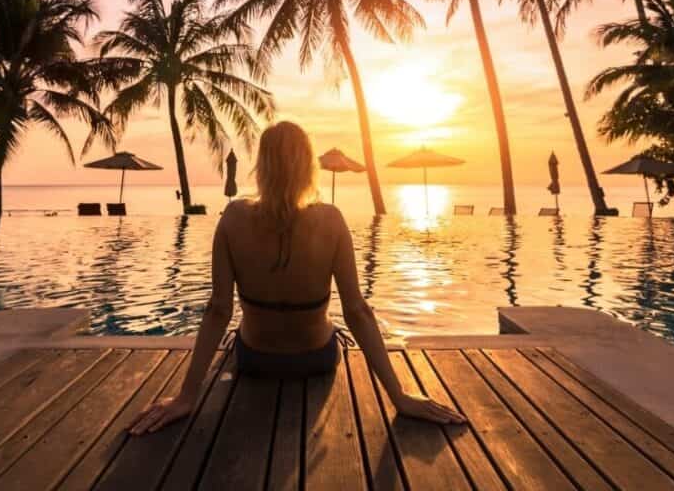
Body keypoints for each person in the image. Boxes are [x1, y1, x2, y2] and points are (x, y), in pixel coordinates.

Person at [129, 120, 464, 435]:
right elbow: (357, 311)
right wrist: (399, 396)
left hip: (255, 359)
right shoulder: (331, 220)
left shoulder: (233, 218)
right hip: (315, 358)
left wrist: (186, 397)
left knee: (238, 332)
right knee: (333, 325)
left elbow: (219, 310)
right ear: (308, 168)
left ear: (262, 166)